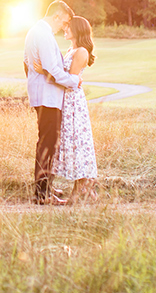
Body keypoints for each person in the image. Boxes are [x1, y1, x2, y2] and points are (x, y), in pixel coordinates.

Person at [24, 0, 81, 205]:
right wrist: (74, 81)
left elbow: (26, 63)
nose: (64, 27)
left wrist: (37, 79)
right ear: (56, 16)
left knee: (46, 142)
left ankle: (45, 187)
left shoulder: (34, 32)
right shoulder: (44, 34)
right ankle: (42, 194)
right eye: (64, 22)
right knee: (48, 144)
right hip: (47, 97)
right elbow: (52, 70)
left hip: (41, 94)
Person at [53, 15, 99, 201]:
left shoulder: (81, 52)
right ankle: (86, 190)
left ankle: (81, 187)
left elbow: (71, 80)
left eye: (68, 27)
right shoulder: (72, 49)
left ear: (77, 30)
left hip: (73, 102)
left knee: (77, 141)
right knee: (72, 141)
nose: (65, 29)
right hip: (67, 100)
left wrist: (47, 73)